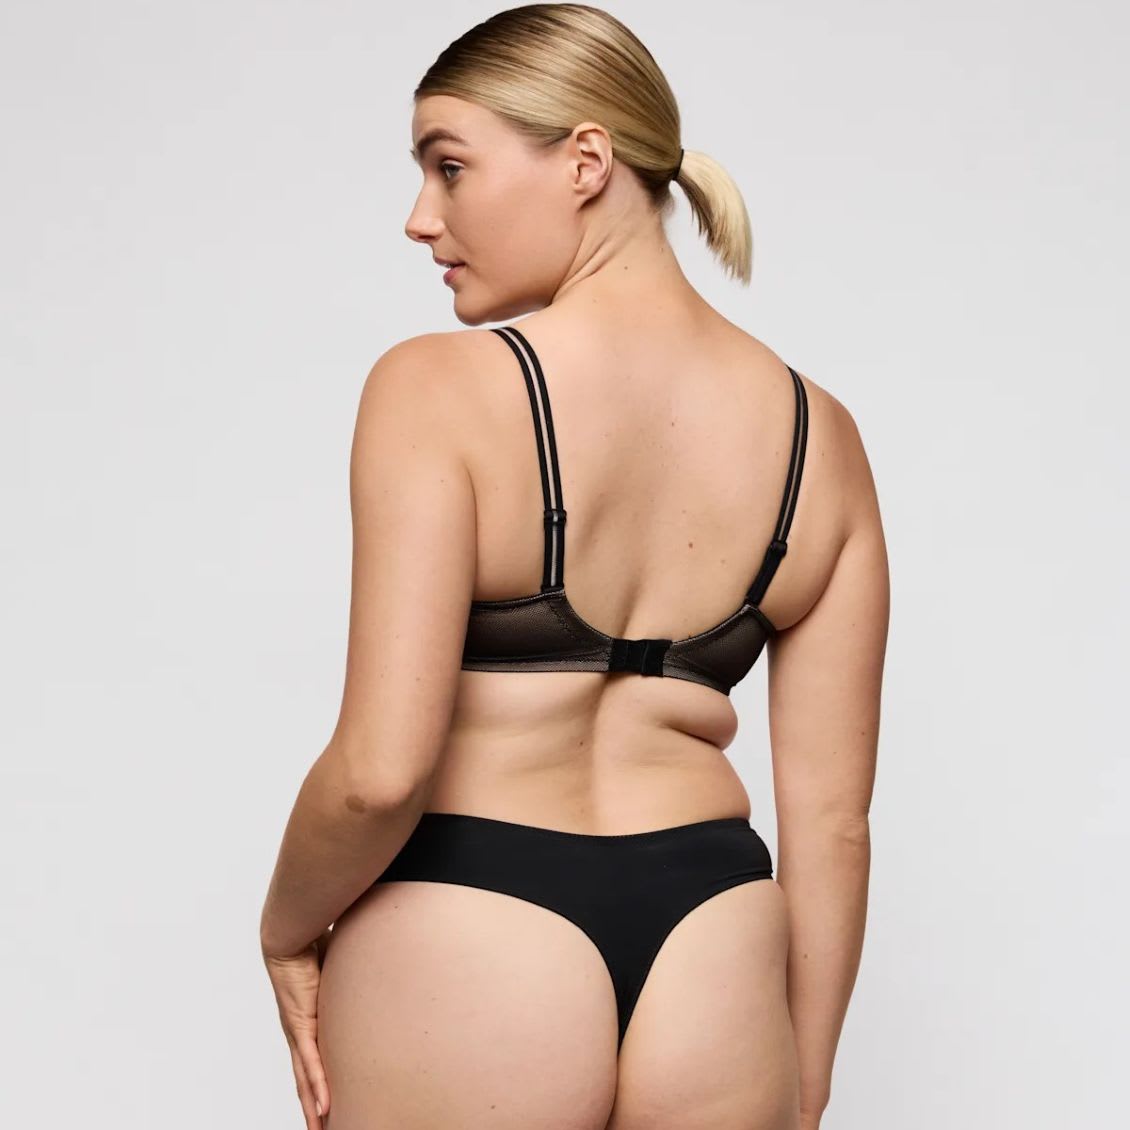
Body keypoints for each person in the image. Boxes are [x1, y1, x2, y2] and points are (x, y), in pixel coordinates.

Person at [258, 5, 889, 1129]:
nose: (421, 216)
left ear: (587, 161)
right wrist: (805, 1083)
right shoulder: (821, 438)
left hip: (473, 923)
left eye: (450, 166)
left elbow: (379, 772)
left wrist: (284, 927)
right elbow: (833, 822)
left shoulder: (436, 389)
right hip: (715, 943)